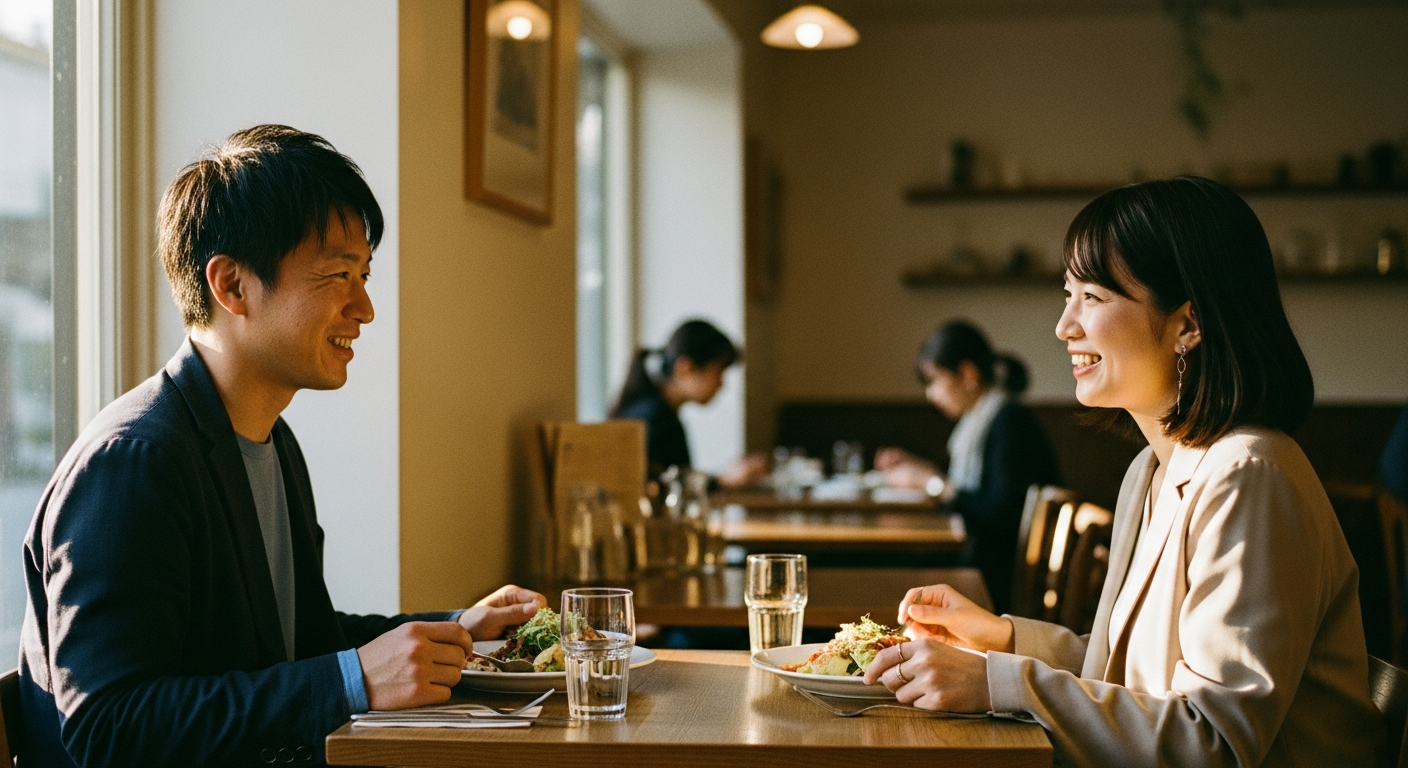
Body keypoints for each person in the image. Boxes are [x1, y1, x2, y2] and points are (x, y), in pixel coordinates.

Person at [19, 125, 546, 768]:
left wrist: (460, 630)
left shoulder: (269, 438)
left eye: (364, 274)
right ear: (232, 286)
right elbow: (109, 725)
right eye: (337, 276)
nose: (365, 308)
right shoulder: (133, 462)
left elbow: (301, 641)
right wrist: (350, 681)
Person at [863, 177, 1382, 766]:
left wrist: (997, 683)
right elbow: (1120, 667)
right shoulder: (1150, 470)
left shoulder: (1249, 475)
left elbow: (1213, 741)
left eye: (1094, 297)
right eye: (1067, 294)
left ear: (1188, 325)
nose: (1065, 326)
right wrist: (1001, 639)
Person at [873, 321, 1061, 614]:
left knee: (880, 572)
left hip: (999, 578)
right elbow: (976, 496)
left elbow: (999, 515)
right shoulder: (982, 420)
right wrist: (921, 472)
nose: (931, 394)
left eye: (934, 380)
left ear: (968, 374)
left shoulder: (1009, 422)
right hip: (985, 563)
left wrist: (933, 484)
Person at [609, 319, 768, 488]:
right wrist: (724, 481)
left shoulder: (652, 411)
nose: (721, 384)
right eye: (718, 371)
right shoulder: (657, 420)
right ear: (686, 368)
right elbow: (666, 489)